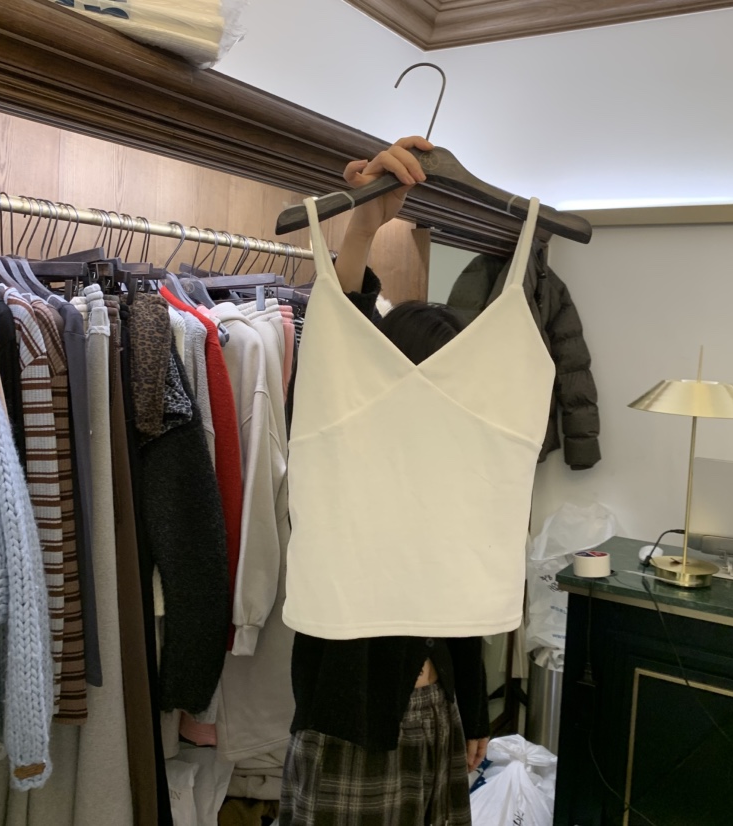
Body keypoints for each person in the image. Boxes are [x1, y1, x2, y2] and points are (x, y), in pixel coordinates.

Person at [279, 136, 490, 826]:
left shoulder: (454, 475)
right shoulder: (343, 448)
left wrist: (473, 706)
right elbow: (335, 342)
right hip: (352, 722)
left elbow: (465, 596)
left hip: (439, 711)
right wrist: (364, 227)